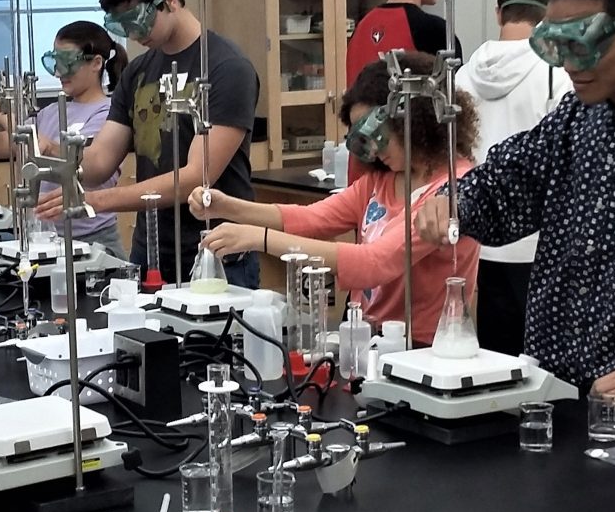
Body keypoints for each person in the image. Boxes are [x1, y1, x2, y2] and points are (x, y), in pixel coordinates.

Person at [415, 0, 615, 409]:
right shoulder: (576, 118)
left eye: (585, 45)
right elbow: (508, 182)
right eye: (556, 46)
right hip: (555, 394)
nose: (570, 65)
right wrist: (453, 199)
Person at [189, 52, 480, 344]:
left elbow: (374, 262)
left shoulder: (453, 191)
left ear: (410, 115)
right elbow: (313, 218)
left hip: (423, 347)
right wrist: (227, 205)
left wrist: (259, 238)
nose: (374, 150)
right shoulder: (384, 180)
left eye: (377, 134)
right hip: (370, 337)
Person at [36, 0, 260, 287]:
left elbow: (194, 178)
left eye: (137, 20)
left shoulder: (226, 68)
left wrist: (96, 201)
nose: (134, 35)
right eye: (121, 25)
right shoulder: (138, 72)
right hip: (151, 251)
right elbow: (98, 165)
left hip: (218, 253)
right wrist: (51, 157)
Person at [456, 0, 572, 356]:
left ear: (497, 13)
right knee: (531, 365)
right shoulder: (556, 75)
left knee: (482, 360)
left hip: (471, 239)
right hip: (531, 245)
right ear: (546, 17)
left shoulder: (462, 75)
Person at [0, 20, 128, 258]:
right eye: (55, 63)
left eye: (67, 63)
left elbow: (80, 162)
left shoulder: (108, 112)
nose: (59, 73)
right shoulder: (50, 113)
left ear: (96, 63)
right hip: (46, 238)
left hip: (93, 241)